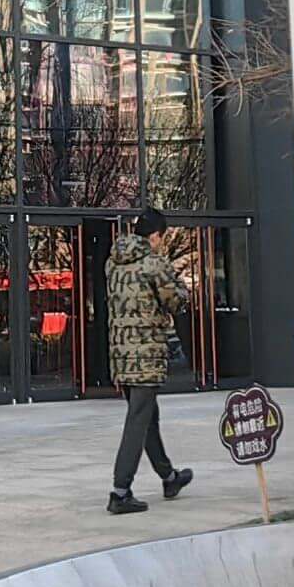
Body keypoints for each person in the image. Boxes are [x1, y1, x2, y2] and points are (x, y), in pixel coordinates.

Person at [103, 210, 194, 515]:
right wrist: (180, 285)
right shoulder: (154, 264)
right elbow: (176, 301)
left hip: (121, 355)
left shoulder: (112, 264)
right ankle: (120, 491)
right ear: (155, 236)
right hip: (147, 355)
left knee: (146, 418)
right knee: (138, 420)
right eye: (162, 237)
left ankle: (169, 477)